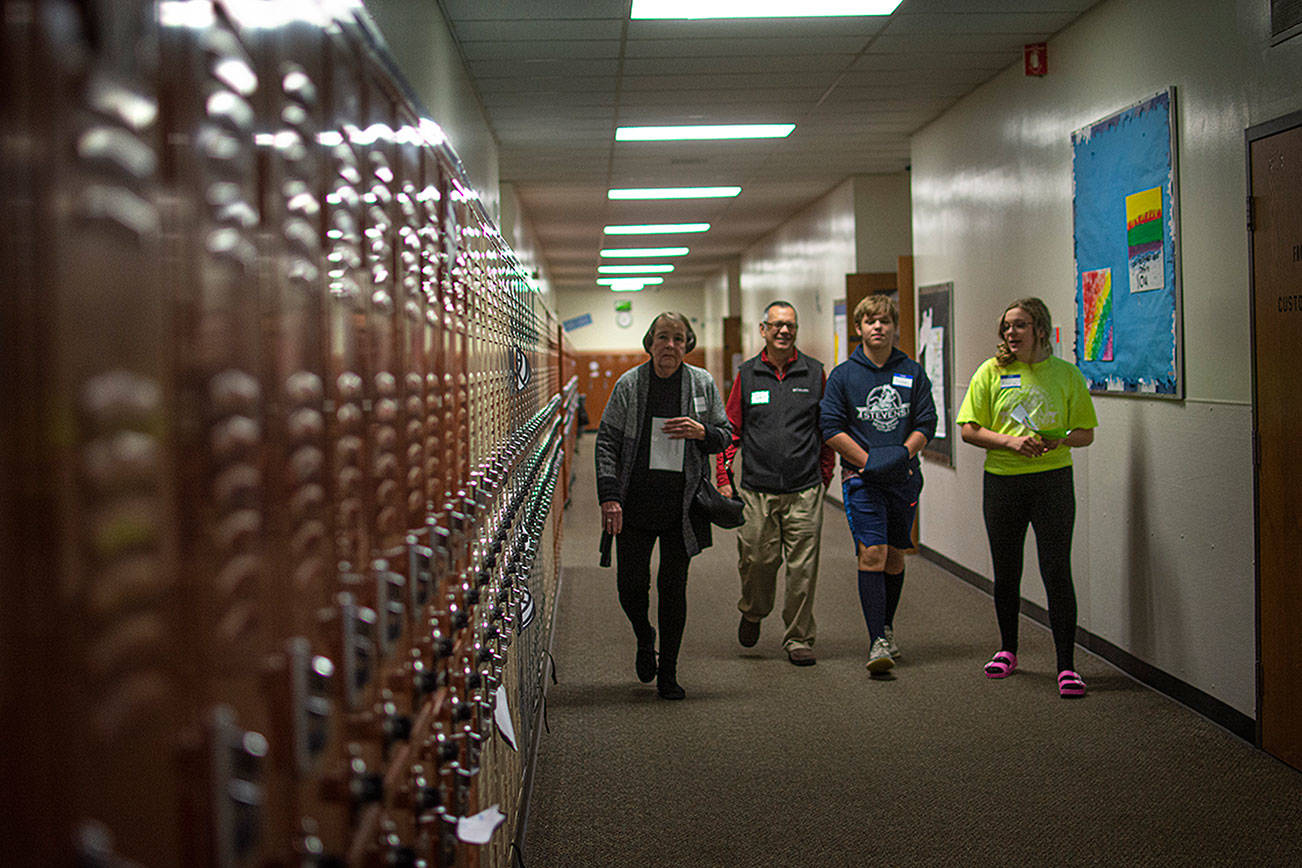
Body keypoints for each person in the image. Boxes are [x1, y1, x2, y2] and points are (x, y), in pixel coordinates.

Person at [956, 297, 1098, 699]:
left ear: (1040, 329)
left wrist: (1058, 441)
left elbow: (1085, 433)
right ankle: (1008, 650)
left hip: (1052, 481)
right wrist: (1010, 443)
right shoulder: (992, 371)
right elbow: (969, 428)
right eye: (1006, 327)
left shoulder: (1066, 375)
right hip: (1003, 482)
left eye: (1019, 325)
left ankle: (1067, 666)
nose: (1011, 333)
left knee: (1056, 571)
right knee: (1007, 570)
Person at [594, 312, 730, 700]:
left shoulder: (701, 383)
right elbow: (606, 443)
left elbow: (725, 435)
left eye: (678, 338)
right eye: (663, 337)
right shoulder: (629, 385)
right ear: (650, 342)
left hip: (681, 507)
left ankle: (668, 671)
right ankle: (644, 634)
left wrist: (702, 432)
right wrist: (610, 497)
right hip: (634, 504)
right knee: (631, 587)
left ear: (688, 344)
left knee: (674, 589)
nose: (670, 345)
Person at [821, 294, 936, 674]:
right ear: (859, 328)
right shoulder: (843, 376)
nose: (877, 327)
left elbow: (926, 423)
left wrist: (901, 455)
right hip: (862, 480)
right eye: (870, 321)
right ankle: (876, 641)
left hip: (903, 479)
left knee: (896, 555)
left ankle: (886, 625)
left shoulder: (912, 372)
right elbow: (830, 428)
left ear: (893, 326)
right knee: (873, 552)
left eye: (884, 320)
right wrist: (869, 461)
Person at [717, 301, 834, 666]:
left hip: (804, 488)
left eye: (791, 326)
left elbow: (826, 431)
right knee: (757, 560)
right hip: (756, 489)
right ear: (763, 330)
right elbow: (731, 430)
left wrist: (824, 477)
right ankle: (753, 610)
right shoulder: (748, 374)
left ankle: (798, 637)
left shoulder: (814, 373)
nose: (784, 331)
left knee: (803, 568)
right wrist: (724, 476)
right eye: (777, 325)